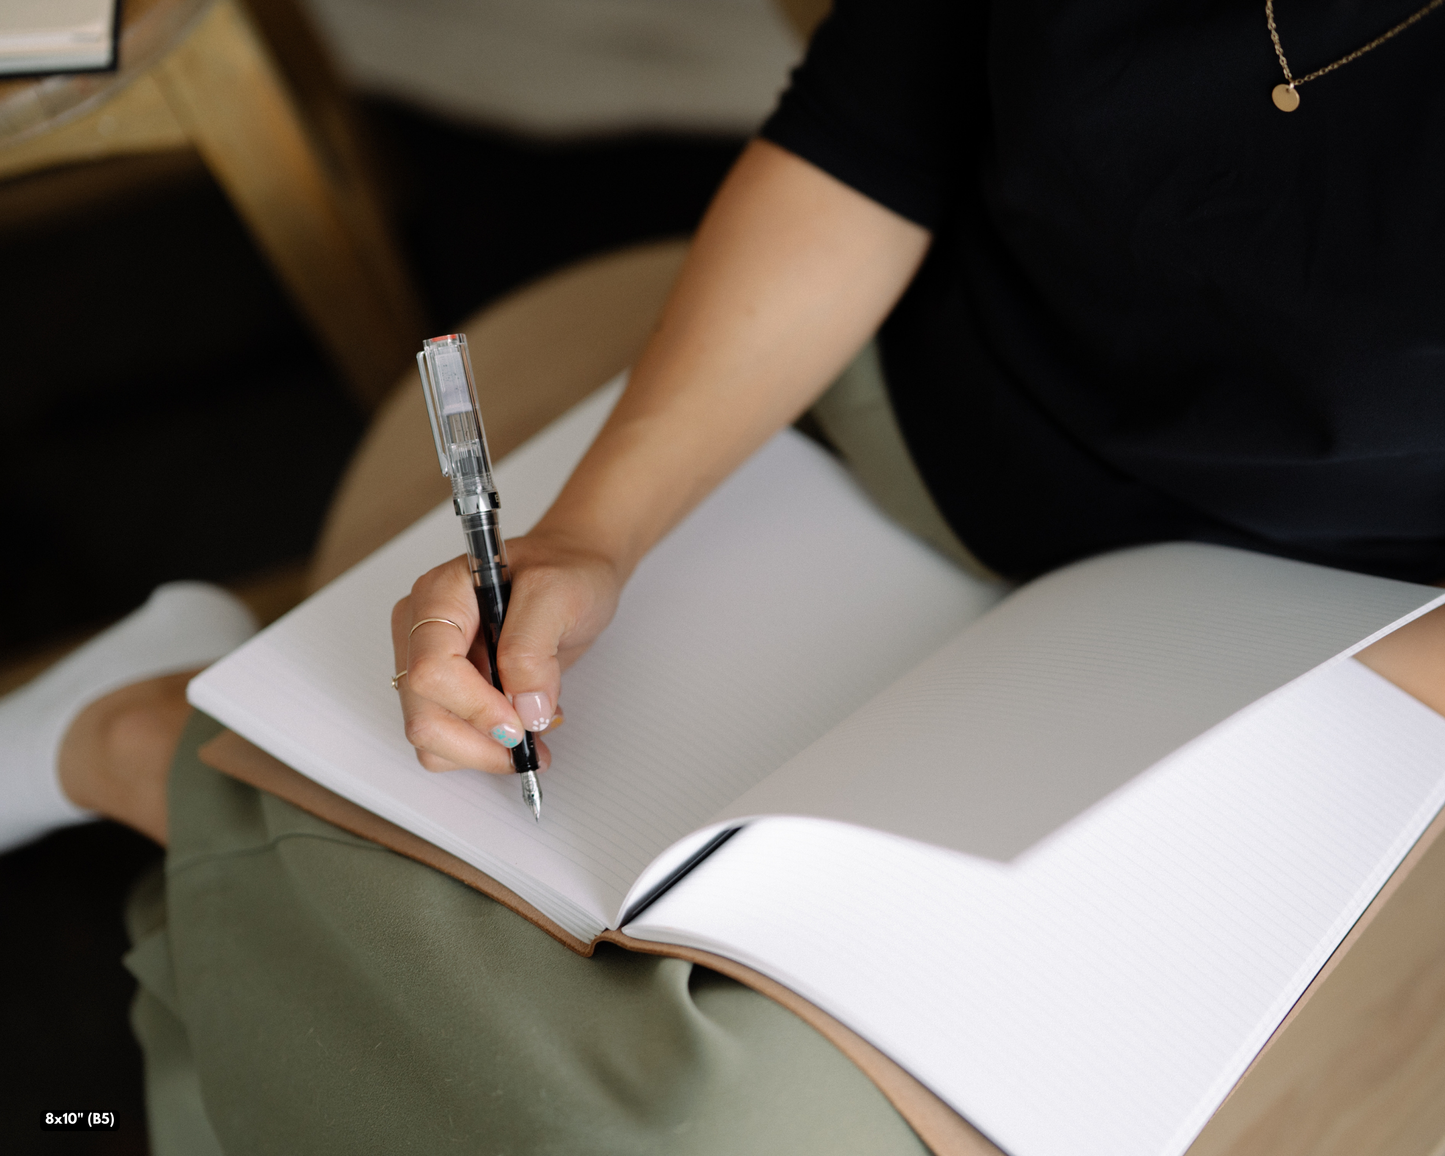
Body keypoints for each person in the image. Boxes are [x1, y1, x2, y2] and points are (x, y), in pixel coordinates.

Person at [3, 0, 1442, 1150]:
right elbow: (873, 131)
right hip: (891, 436)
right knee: (617, 1009)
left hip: (1324, 651)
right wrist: (591, 535)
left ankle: (163, 753)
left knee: (706, 1116)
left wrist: (1256, 742)